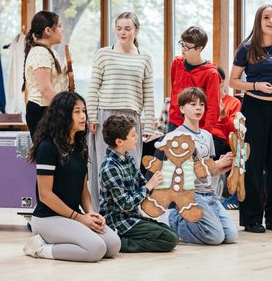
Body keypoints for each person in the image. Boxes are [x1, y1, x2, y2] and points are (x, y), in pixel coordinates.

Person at [23, 92, 121, 262]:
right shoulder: (47, 147)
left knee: (113, 245)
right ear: (63, 115)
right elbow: (45, 195)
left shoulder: (80, 146)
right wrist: (80, 218)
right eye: (77, 112)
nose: (83, 116)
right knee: (95, 249)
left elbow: (83, 190)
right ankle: (40, 249)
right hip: (47, 218)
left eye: (84, 111)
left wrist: (91, 213)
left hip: (72, 216)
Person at [229, 4, 272, 233]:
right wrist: (255, 85)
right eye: (267, 17)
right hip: (254, 109)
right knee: (252, 163)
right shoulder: (246, 48)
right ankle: (251, 219)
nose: (271, 21)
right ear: (259, 20)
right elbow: (233, 81)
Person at [87, 12, 155, 212]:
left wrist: (149, 123)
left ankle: (131, 210)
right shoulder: (103, 54)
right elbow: (93, 87)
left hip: (132, 118)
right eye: (119, 28)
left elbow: (148, 93)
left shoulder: (144, 58)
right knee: (103, 165)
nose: (122, 32)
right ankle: (100, 212)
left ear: (136, 31)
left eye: (127, 28)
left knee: (131, 166)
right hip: (105, 116)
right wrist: (91, 116)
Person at [165, 87, 237, 245]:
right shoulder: (177, 136)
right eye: (193, 104)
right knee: (215, 237)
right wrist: (216, 163)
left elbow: (210, 172)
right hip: (190, 194)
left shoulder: (207, 136)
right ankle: (174, 219)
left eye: (201, 104)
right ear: (182, 108)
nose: (198, 108)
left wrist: (222, 166)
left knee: (230, 236)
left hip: (210, 194)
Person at [99, 115, 179, 253]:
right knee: (169, 239)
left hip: (133, 216)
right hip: (118, 222)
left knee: (171, 233)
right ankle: (120, 243)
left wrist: (160, 180)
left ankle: (121, 240)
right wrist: (149, 186)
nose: (137, 138)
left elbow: (142, 183)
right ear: (119, 141)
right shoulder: (109, 167)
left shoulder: (128, 158)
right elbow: (126, 204)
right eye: (133, 135)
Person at [23, 10, 68, 138]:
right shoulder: (40, 53)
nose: (62, 30)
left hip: (49, 108)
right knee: (47, 154)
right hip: (43, 109)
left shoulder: (49, 51)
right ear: (48, 30)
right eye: (59, 26)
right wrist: (61, 113)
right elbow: (45, 88)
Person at [168, 26, 221, 134]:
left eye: (187, 47)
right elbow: (174, 91)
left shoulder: (211, 74)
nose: (183, 49)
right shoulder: (177, 63)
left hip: (197, 125)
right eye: (182, 44)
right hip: (175, 122)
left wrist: (205, 133)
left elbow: (213, 107)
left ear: (199, 48)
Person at [211, 67, 241, 210]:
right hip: (205, 136)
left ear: (221, 82)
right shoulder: (203, 101)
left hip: (223, 140)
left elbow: (234, 132)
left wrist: (223, 117)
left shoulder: (233, 102)